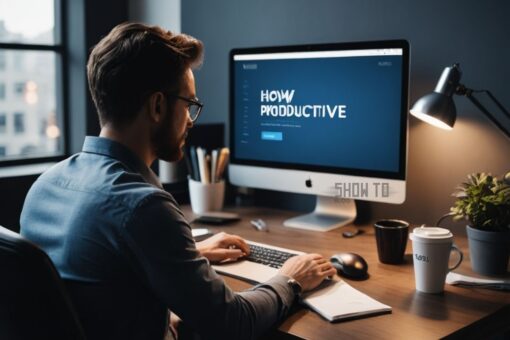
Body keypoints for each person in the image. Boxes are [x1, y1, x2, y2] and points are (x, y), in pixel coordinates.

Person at [20, 22, 336, 340]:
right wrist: (290, 279)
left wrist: (189, 254)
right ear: (158, 106)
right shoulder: (144, 206)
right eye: (189, 105)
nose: (190, 119)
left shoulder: (44, 186)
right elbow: (234, 324)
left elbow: (98, 278)